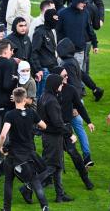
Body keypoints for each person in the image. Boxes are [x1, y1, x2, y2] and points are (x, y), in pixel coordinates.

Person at [0, 87, 49, 211]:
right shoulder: (32, 113)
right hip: (28, 152)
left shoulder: (10, 114)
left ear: (14, 99)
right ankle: (44, 206)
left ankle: (7, 209)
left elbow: (3, 134)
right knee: (34, 180)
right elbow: (44, 126)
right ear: (25, 99)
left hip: (13, 154)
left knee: (8, 182)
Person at [51, 67, 95, 189]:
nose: (67, 77)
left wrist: (89, 122)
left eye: (66, 75)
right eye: (64, 76)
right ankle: (47, 181)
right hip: (53, 130)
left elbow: (80, 106)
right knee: (51, 158)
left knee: (74, 154)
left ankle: (86, 180)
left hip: (65, 127)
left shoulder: (70, 90)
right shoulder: (50, 92)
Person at [38, 74, 75, 202]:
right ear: (54, 85)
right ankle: (29, 186)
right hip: (53, 137)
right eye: (60, 83)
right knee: (52, 166)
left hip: (48, 136)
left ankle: (60, 194)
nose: (62, 85)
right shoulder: (52, 101)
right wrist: (70, 134)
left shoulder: (43, 97)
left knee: (57, 165)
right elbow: (58, 123)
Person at [57, 0, 98, 71]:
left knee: (77, 76)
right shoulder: (62, 13)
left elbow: (90, 30)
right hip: (64, 52)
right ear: (76, 1)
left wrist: (95, 44)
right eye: (83, 2)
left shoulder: (85, 13)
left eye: (85, 3)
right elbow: (57, 31)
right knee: (62, 76)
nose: (84, 4)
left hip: (79, 52)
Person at [31, 8, 58, 99]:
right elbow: (34, 52)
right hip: (44, 70)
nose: (56, 21)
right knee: (41, 96)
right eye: (55, 19)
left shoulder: (50, 31)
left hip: (51, 68)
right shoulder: (39, 32)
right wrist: (38, 69)